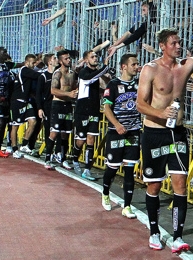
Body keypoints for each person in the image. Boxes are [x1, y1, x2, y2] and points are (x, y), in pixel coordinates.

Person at [136, 29, 193, 252]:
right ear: (162, 46)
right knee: (155, 184)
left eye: (179, 43)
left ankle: (178, 236)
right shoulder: (150, 69)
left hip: (177, 134)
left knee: (180, 185)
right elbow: (140, 104)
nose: (178, 46)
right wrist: (161, 114)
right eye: (173, 43)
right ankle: (154, 232)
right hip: (154, 134)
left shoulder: (186, 66)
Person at [100, 53, 143, 212]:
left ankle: (127, 206)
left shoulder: (139, 84)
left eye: (137, 64)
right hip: (116, 132)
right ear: (124, 66)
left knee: (130, 169)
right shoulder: (113, 84)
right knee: (112, 168)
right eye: (134, 64)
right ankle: (105, 193)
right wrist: (117, 124)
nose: (137, 67)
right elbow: (106, 108)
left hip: (133, 132)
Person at [72, 49, 111, 181]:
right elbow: (91, 78)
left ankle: (87, 169)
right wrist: (105, 67)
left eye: (96, 56)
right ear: (86, 60)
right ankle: (74, 158)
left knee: (91, 139)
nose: (95, 58)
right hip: (82, 110)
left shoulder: (97, 74)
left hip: (94, 109)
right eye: (92, 56)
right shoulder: (84, 73)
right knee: (81, 140)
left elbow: (105, 85)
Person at [46, 49, 78, 169]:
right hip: (58, 105)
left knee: (66, 133)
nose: (69, 60)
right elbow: (53, 90)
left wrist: (75, 91)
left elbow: (74, 86)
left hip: (68, 105)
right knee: (54, 132)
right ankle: (48, 158)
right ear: (60, 61)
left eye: (69, 58)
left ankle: (63, 158)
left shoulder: (72, 73)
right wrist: (68, 94)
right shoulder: (57, 73)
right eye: (66, 58)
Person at [9, 54, 40, 158]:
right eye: (33, 62)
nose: (34, 64)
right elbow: (37, 75)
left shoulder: (29, 71)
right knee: (15, 125)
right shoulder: (24, 70)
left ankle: (24, 145)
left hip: (26, 102)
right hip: (17, 101)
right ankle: (14, 149)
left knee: (33, 121)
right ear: (27, 62)